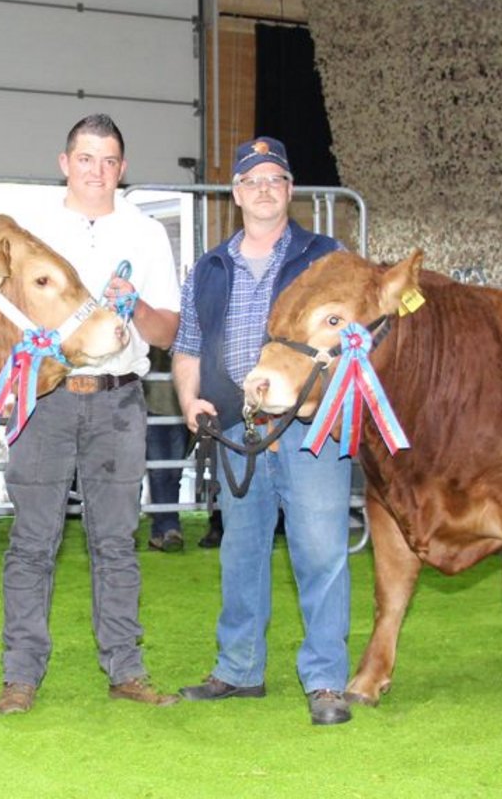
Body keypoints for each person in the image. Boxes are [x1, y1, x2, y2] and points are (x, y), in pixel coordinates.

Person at [0, 114, 182, 715]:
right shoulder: (31, 232)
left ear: (122, 168)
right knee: (31, 542)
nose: (97, 171)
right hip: (44, 398)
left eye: (108, 161)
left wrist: (141, 306)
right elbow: (2, 315)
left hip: (119, 399)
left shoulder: (148, 233)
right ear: (64, 163)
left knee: (116, 543)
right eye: (86, 159)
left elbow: (167, 330)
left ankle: (125, 668)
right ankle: (20, 675)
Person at [172, 136, 353, 726]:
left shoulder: (327, 257)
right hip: (237, 429)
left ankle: (325, 680)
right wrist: (190, 400)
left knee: (322, 551)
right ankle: (239, 669)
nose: (264, 189)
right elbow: (188, 347)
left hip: (310, 427)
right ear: (236, 194)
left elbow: (358, 333)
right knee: (240, 552)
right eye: (253, 180)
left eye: (275, 179)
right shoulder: (208, 266)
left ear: (290, 190)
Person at [144, 347, 188, 552]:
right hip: (154, 408)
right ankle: (169, 527)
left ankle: (161, 530)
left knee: (173, 472)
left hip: (182, 411)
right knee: (160, 471)